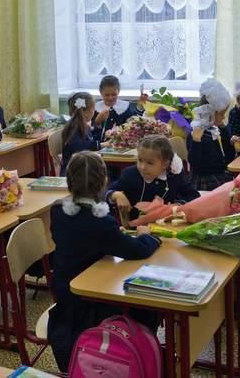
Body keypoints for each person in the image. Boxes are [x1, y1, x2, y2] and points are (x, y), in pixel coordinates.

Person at [48, 151, 161, 371]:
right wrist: (147, 236)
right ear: (103, 181)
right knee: (147, 306)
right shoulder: (99, 222)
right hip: (90, 302)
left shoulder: (58, 210)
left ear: (69, 180)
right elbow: (137, 250)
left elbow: (87, 240)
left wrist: (113, 237)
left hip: (65, 294)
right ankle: (142, 355)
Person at [107, 134, 199, 223]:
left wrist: (176, 205)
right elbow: (106, 192)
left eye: (150, 163)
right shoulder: (130, 174)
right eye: (140, 160)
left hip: (165, 225)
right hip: (135, 228)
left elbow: (193, 194)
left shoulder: (174, 176)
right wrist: (116, 194)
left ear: (165, 164)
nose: (143, 167)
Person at [186, 78, 236, 190]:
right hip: (205, 180)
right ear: (209, 112)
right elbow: (195, 164)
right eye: (221, 114)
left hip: (217, 173)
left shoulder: (212, 130)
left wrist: (223, 130)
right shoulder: (196, 133)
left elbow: (229, 156)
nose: (223, 117)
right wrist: (196, 141)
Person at [60, 92, 107, 175]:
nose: (94, 111)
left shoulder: (84, 125)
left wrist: (99, 126)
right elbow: (79, 147)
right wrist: (101, 145)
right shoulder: (72, 127)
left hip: (82, 166)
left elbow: (90, 139)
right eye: (93, 108)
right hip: (73, 171)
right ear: (85, 111)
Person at [92, 75, 148, 141]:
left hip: (122, 142)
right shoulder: (95, 109)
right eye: (107, 95)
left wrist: (140, 106)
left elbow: (135, 122)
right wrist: (97, 123)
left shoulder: (125, 106)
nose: (110, 98)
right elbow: (91, 132)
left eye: (114, 94)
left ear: (118, 91)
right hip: (100, 143)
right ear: (100, 92)